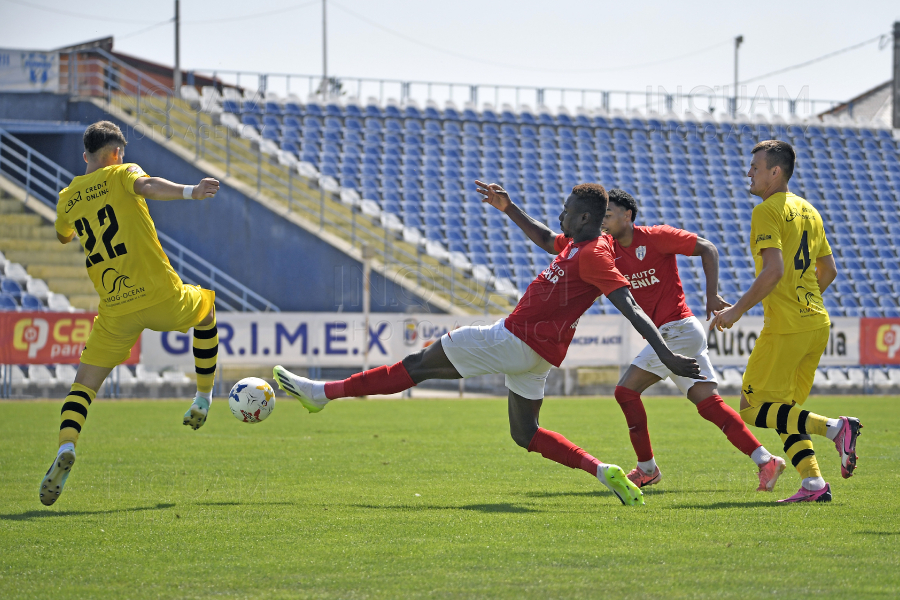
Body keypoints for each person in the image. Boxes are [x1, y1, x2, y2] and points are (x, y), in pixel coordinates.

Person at [274, 180, 702, 507]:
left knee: (417, 365)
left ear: (586, 219)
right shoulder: (584, 243)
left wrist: (666, 354)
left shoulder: (594, 255)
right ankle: (601, 470)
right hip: (537, 355)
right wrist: (509, 208)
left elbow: (629, 305)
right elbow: (543, 238)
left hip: (513, 339)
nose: (560, 214)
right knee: (525, 433)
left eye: (567, 210)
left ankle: (320, 394)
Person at [40, 121, 222, 506]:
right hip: (160, 296)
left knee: (84, 385)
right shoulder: (124, 173)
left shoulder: (67, 196)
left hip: (116, 309)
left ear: (86, 155)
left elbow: (63, 235)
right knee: (206, 310)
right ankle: (203, 397)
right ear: (117, 153)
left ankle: (65, 446)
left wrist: (77, 217)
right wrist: (192, 191)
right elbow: (148, 186)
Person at [601, 189, 784, 491]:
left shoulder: (656, 236)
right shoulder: (607, 250)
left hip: (679, 330)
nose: (603, 221)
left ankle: (647, 468)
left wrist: (711, 296)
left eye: (608, 215)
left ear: (627, 215)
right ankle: (766, 461)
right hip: (673, 335)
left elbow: (707, 248)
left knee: (625, 391)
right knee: (709, 405)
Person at [710, 140, 862, 503]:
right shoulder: (809, 210)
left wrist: (737, 311)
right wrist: (803, 299)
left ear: (775, 172)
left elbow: (774, 270)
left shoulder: (768, 210)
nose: (749, 173)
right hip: (816, 322)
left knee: (751, 409)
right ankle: (813, 485)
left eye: (755, 167)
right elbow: (829, 270)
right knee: (785, 413)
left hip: (788, 326)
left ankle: (836, 428)